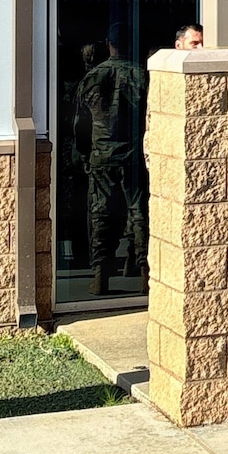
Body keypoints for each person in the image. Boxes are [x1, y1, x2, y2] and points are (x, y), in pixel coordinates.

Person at [73, 22, 148, 296]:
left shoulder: (93, 77)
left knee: (100, 212)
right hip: (134, 155)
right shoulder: (143, 76)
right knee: (139, 212)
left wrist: (83, 153)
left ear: (108, 44)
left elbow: (80, 124)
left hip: (102, 155)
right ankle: (144, 272)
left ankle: (100, 275)